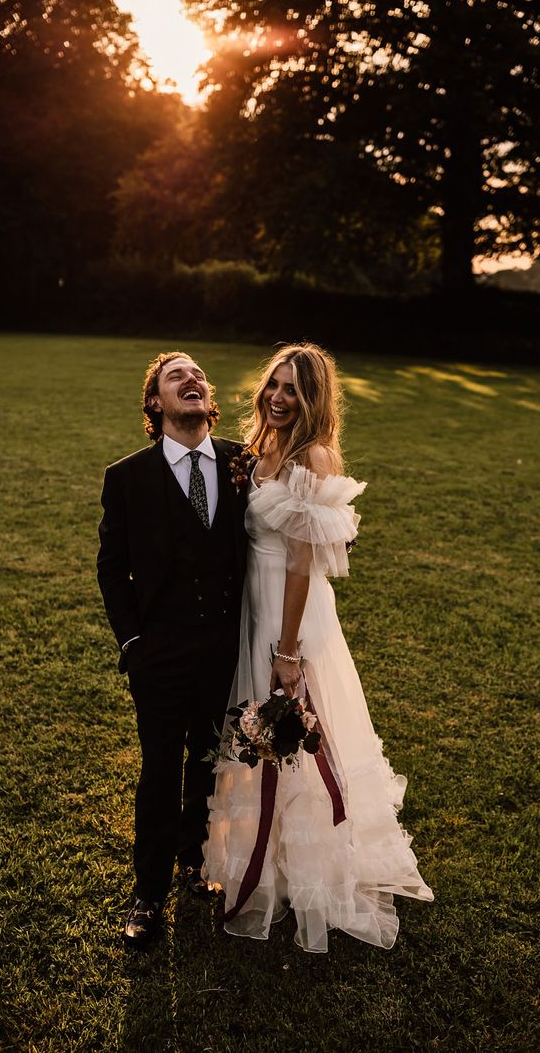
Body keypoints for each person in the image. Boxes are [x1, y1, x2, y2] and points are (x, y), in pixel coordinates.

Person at [203, 343, 433, 953]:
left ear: (313, 401)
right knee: (258, 732)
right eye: (273, 385)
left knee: (297, 736)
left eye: (292, 391)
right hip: (254, 603)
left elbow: (303, 564)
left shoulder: (314, 456)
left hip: (290, 615)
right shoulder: (258, 448)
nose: (278, 398)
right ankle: (262, 859)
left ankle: (309, 875)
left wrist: (286, 650)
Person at [97, 352, 247, 947]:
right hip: (158, 651)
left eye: (199, 374)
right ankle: (148, 891)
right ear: (155, 403)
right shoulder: (127, 477)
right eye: (175, 375)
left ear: (208, 401)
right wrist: (132, 642)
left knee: (209, 758)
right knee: (160, 768)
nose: (193, 378)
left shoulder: (244, 463)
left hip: (225, 648)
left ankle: (194, 861)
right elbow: (112, 569)